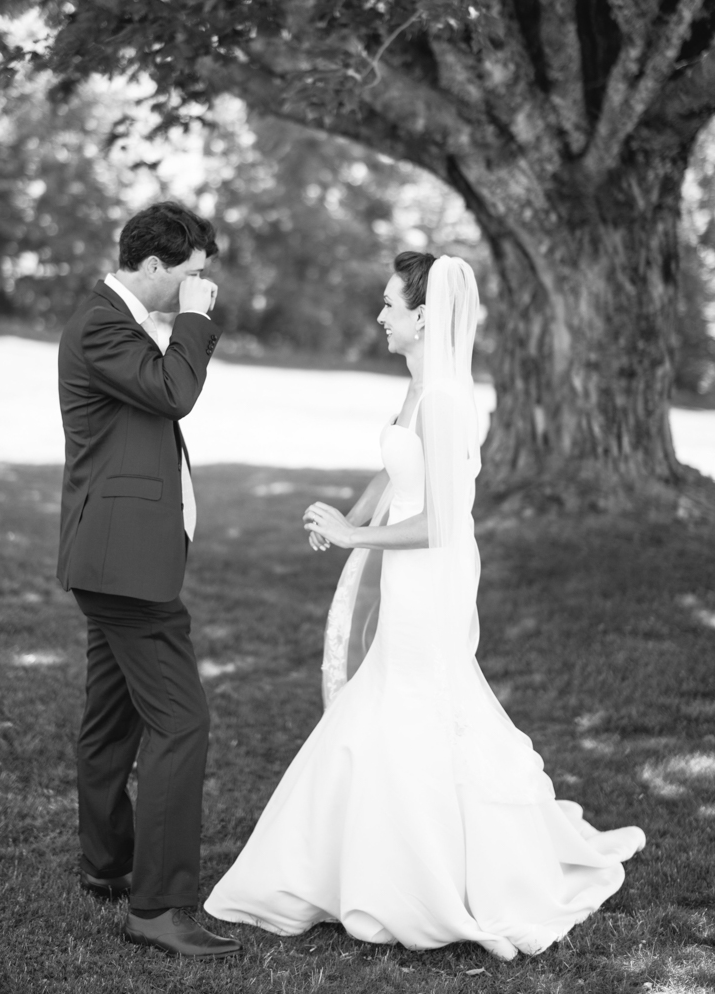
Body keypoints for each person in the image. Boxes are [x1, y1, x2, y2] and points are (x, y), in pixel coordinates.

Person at [204, 252, 645, 959]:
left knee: (419, 700)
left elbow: (442, 521)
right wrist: (344, 516)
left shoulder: (444, 400)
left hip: (430, 571)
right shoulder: (417, 387)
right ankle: (357, 862)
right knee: (387, 694)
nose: (380, 316)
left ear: (421, 316)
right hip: (402, 566)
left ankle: (430, 874)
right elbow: (394, 468)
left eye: (389, 306)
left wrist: (358, 536)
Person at [57, 201, 240, 959]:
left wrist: (190, 321)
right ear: (156, 266)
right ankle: (159, 907)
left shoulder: (123, 322)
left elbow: (165, 382)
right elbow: (175, 393)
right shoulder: (103, 322)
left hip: (116, 556)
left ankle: (107, 863)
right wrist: (195, 320)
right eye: (194, 276)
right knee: (181, 721)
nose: (203, 290)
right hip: (124, 566)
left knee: (113, 716)